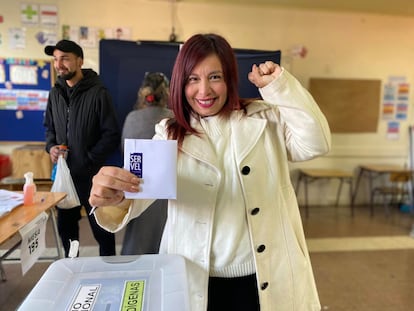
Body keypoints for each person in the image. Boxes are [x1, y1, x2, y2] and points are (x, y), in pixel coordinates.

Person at [89, 33, 331, 311]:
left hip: (262, 278)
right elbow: (138, 194)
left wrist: (280, 88)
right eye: (193, 79)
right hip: (196, 279)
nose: (204, 91)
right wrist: (114, 195)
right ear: (180, 83)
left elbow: (317, 143)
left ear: (229, 78)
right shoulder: (167, 133)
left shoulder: (266, 120)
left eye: (214, 76)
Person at [43, 39, 121, 257]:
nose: (59, 64)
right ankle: (72, 267)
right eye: (56, 59)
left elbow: (111, 134)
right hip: (64, 176)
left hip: (91, 175)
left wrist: (88, 159)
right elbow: (49, 128)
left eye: (65, 58)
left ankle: (109, 267)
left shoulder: (98, 92)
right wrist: (51, 147)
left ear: (80, 61)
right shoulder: (55, 93)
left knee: (102, 229)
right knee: (66, 229)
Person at [121, 72, 173, 255]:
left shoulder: (132, 118)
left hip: (138, 186)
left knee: (138, 236)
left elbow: (124, 151)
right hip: (167, 190)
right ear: (166, 93)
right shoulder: (173, 118)